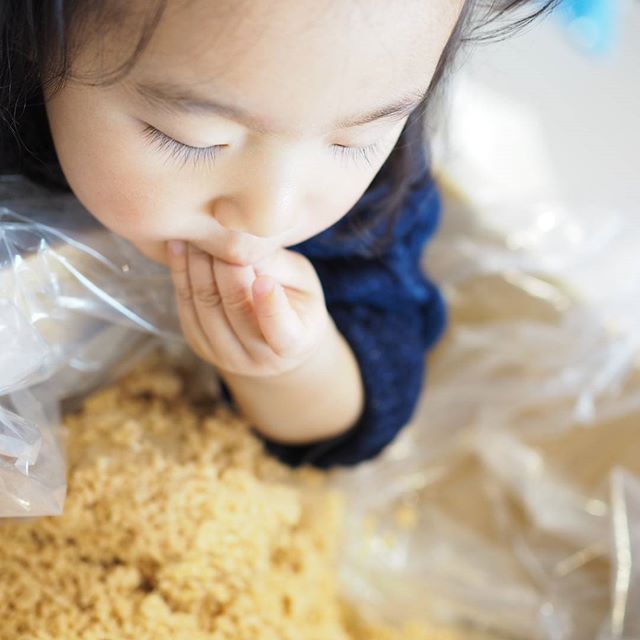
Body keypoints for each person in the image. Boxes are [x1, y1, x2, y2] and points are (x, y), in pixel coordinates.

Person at [0, 0, 558, 467]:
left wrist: (293, 367)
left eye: (353, 142)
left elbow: (373, 392)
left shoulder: (373, 201)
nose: (270, 214)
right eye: (194, 138)